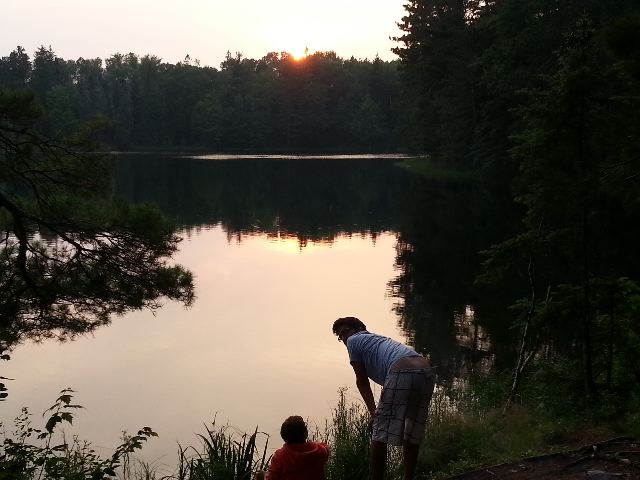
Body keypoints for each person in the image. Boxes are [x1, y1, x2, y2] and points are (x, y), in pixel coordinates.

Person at [332, 316, 435, 480]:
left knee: (379, 432)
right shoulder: (378, 340)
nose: (344, 338)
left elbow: (362, 381)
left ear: (359, 329)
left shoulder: (354, 341)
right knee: (411, 432)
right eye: (340, 336)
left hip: (402, 370)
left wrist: (374, 413)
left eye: (345, 332)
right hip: (426, 371)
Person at [256, 415, 330, 480]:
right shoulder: (318, 451)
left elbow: (270, 478)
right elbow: (326, 448)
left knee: (260, 474)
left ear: (283, 436)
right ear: (306, 433)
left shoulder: (280, 456)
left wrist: (263, 475)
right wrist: (311, 444)